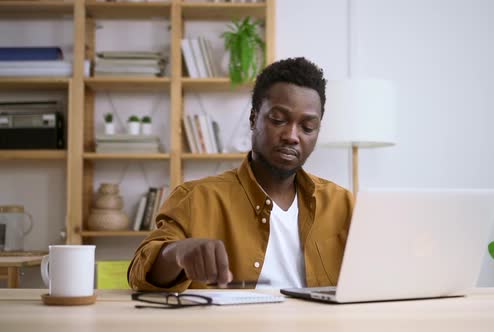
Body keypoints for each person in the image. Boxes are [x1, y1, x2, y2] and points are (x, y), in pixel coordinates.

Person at [128, 57, 354, 292]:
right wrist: (178, 253)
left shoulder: (344, 204)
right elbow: (139, 272)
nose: (292, 135)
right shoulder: (196, 198)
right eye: (278, 119)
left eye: (307, 127)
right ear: (253, 118)